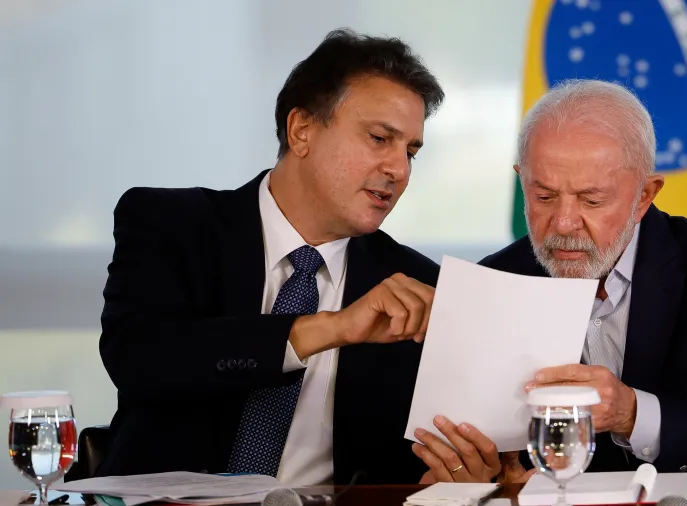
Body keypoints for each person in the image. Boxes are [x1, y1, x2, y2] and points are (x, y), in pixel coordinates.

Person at [97, 29, 445, 486]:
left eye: (411, 152)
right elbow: (139, 360)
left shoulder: (416, 286)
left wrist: (453, 476)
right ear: (301, 130)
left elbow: (407, 461)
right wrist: (332, 328)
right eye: (380, 138)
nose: (399, 169)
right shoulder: (173, 224)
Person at [411, 79, 687, 483]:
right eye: (543, 197)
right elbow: (486, 460)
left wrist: (632, 414)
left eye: (591, 200)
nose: (563, 224)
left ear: (645, 195)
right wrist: (486, 476)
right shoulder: (494, 283)